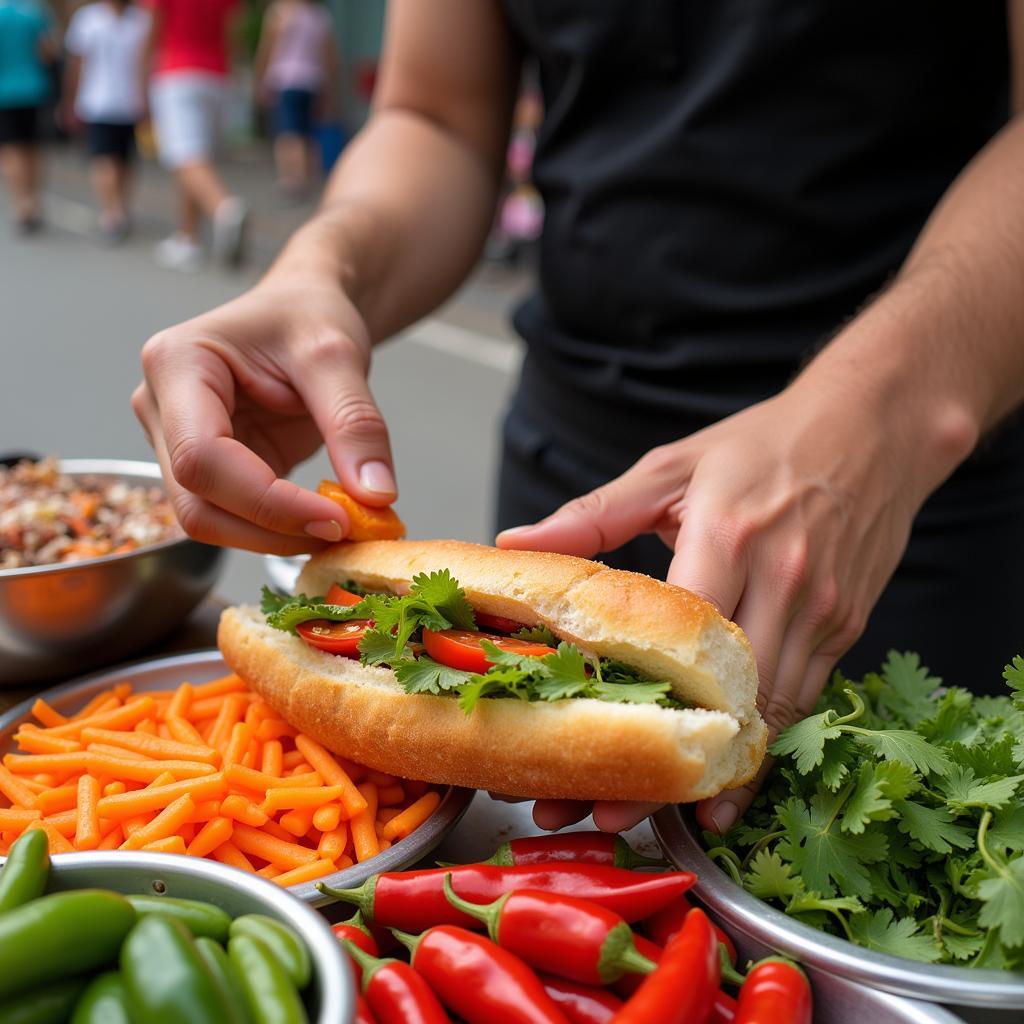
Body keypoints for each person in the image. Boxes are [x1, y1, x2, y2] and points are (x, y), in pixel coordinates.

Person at [133, 2, 1024, 836]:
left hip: (905, 489)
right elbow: (436, 116)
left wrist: (881, 416)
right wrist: (319, 271)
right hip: (569, 490)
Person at [142, 0, 248, 271]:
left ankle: (224, 209)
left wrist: (141, 79)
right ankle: (189, 238)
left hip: (176, 73)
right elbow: (233, 32)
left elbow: (151, 31)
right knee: (196, 159)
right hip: (217, 76)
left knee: (185, 157)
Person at [63, 0, 151, 243]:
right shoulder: (89, 18)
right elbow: (77, 64)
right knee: (107, 158)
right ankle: (114, 211)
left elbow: (146, 63)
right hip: (99, 102)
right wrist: (71, 98)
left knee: (120, 159)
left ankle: (117, 209)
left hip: (127, 102)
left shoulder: (141, 19)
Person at [254, 0, 339, 200]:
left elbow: (266, 49)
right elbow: (329, 55)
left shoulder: (279, 12)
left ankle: (293, 179)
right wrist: (329, 87)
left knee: (288, 132)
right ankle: (309, 177)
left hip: (285, 80)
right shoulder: (319, 16)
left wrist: (260, 78)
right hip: (312, 80)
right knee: (309, 132)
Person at [0, 0, 56, 233]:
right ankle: (33, 200)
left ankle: (22, 204)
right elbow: (48, 53)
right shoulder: (36, 12)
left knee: (11, 149)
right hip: (34, 89)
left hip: (4, 92)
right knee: (32, 146)